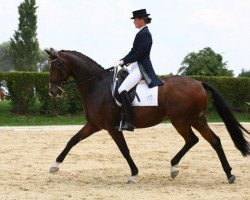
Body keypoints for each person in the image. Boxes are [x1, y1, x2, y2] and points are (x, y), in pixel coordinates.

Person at [113, 8, 163, 132]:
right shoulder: (141, 33)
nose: (134, 22)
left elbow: (139, 53)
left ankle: (129, 122)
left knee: (122, 89)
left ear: (141, 19)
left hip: (141, 68)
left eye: (135, 19)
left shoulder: (145, 34)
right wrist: (122, 60)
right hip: (135, 66)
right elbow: (132, 52)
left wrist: (123, 61)